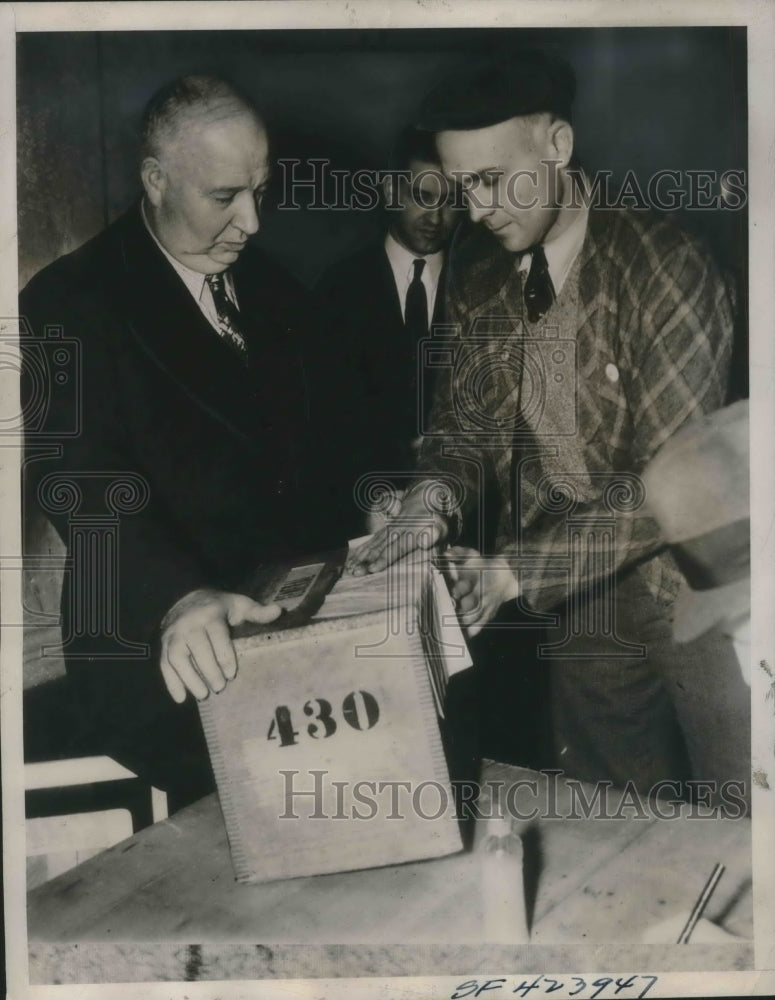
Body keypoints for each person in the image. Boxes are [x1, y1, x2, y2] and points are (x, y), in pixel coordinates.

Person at [349, 49, 749, 803]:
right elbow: (462, 432)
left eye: (493, 181)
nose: (474, 210)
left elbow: (671, 491)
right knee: (609, 816)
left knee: (739, 820)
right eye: (462, 187)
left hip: (701, 590)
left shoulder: (666, 265)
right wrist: (425, 506)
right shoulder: (477, 273)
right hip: (580, 597)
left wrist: (510, 573)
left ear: (558, 147)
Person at [21, 75, 319, 811]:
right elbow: (77, 476)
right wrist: (178, 595)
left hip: (280, 641)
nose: (251, 221)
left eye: (260, 189)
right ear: (155, 180)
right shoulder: (68, 301)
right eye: (224, 197)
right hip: (157, 656)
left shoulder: (278, 289)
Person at [306, 127, 458, 539]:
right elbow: (321, 427)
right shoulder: (337, 288)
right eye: (424, 198)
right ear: (392, 192)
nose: (437, 218)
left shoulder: (484, 284)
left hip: (464, 521)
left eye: (450, 201)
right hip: (366, 520)